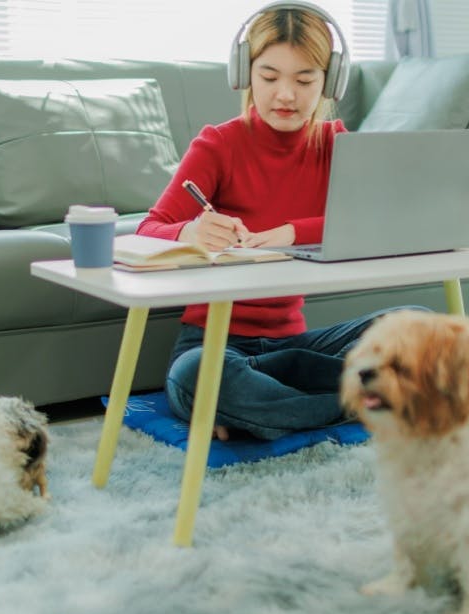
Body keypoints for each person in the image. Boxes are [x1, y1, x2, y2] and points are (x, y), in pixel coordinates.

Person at [136, 2, 425, 441]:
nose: (285, 95)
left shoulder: (335, 145)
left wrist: (293, 231)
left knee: (417, 325)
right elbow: (147, 232)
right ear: (245, 74)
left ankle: (265, 411)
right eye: (269, 77)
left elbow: (372, 223)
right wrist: (190, 231)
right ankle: (360, 405)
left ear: (329, 81)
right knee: (199, 378)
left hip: (297, 348)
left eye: (304, 79)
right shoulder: (218, 144)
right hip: (214, 347)